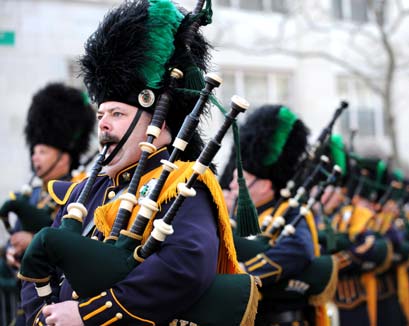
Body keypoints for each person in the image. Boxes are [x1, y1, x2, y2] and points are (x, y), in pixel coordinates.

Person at [21, 0, 255, 325]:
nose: (103, 124)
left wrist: (88, 315)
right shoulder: (83, 192)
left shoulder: (182, 183)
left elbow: (184, 266)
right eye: (101, 114)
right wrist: (41, 317)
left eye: (118, 114)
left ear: (161, 128)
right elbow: (44, 266)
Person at [0, 82, 95, 325]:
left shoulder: (79, 189)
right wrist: (11, 253)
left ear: (64, 155)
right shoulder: (32, 194)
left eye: (42, 151)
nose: (35, 158)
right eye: (34, 152)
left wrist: (34, 243)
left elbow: (81, 243)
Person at [223, 104, 322, 325]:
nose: (232, 185)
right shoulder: (239, 214)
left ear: (266, 185)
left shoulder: (292, 212)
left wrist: (245, 272)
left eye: (242, 181)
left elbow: (298, 250)